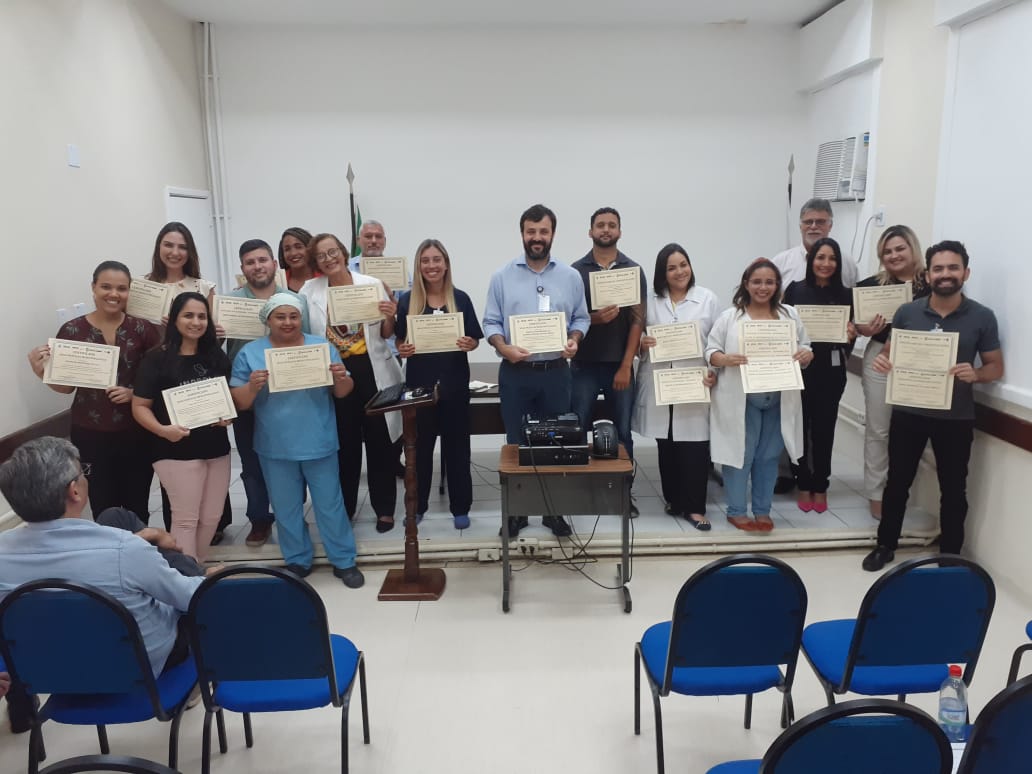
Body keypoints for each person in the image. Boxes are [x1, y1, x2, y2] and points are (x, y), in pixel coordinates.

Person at [0, 437, 205, 677]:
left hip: (49, 670)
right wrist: (208, 580)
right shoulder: (125, 549)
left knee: (115, 518)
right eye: (83, 472)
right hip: (135, 670)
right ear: (74, 491)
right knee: (198, 597)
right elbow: (193, 598)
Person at [862, 241, 1003, 571]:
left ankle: (951, 553)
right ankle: (885, 545)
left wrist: (977, 374)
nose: (945, 274)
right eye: (938, 268)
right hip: (909, 412)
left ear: (965, 272)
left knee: (954, 488)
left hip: (956, 418)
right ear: (928, 274)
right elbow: (888, 354)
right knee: (897, 482)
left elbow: (996, 367)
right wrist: (884, 363)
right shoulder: (908, 312)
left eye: (953, 267)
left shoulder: (982, 317)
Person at [230, 294, 364, 587]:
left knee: (330, 504)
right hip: (275, 444)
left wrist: (341, 377)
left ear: (301, 317)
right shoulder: (251, 353)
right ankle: (297, 560)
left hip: (319, 440)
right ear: (268, 320)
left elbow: (343, 392)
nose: (288, 322)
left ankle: (344, 560)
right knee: (286, 506)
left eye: (293, 316)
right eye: (280, 317)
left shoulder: (321, 347)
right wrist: (252, 386)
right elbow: (239, 402)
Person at [482, 203, 590, 538]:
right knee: (517, 444)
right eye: (531, 231)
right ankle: (516, 513)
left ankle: (553, 512)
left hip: (557, 372)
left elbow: (581, 319)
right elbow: (491, 322)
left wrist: (574, 340)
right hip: (516, 373)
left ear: (552, 234)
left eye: (543, 231)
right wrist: (503, 348)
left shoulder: (570, 277)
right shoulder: (502, 276)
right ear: (522, 234)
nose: (537, 237)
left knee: (556, 442)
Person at [26, 260, 160, 522]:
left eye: (121, 288)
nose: (114, 294)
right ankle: (108, 557)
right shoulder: (73, 331)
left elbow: (159, 376)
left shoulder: (143, 329)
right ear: (93, 288)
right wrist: (41, 372)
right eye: (106, 287)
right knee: (102, 504)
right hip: (90, 433)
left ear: (129, 291)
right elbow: (65, 388)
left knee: (137, 503)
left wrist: (134, 394)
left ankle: (138, 554)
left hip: (137, 430)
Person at [300, 233, 404, 532]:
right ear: (316, 262)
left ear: (344, 254)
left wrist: (390, 316)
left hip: (374, 373)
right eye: (321, 255)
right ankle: (344, 508)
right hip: (336, 375)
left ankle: (384, 509)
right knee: (344, 447)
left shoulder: (370, 285)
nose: (329, 258)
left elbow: (386, 333)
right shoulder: (310, 291)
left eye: (333, 252)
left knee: (380, 445)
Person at [706, 259, 813, 531]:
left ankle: (763, 510)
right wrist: (725, 359)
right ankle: (737, 510)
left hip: (778, 398)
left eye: (769, 282)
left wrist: (806, 354)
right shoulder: (730, 317)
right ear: (746, 284)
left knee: (768, 456)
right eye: (757, 281)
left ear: (777, 285)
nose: (763, 287)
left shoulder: (789, 315)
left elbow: (805, 347)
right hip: (743, 400)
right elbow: (710, 351)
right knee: (741, 455)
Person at [146, 221, 232, 541]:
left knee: (206, 509)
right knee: (182, 505)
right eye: (168, 244)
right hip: (159, 389)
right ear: (158, 248)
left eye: (182, 246)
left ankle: (195, 552)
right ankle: (183, 558)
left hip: (199, 400)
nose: (175, 252)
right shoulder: (143, 287)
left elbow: (208, 348)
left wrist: (217, 333)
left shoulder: (202, 286)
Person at [132, 293, 233, 562]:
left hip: (216, 448)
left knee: (212, 516)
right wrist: (164, 430)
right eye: (188, 315)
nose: (196, 322)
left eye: (202, 316)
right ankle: (187, 579)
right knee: (186, 519)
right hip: (173, 449)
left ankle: (195, 568)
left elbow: (226, 400)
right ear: (174, 319)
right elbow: (140, 406)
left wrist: (227, 416)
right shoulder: (156, 359)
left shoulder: (216, 357)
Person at [226, 239, 311, 547]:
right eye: (250, 262)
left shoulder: (293, 299)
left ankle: (292, 513)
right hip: (247, 391)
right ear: (242, 268)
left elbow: (309, 338)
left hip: (290, 393)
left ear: (274, 265)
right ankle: (259, 519)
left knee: (292, 457)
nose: (257, 266)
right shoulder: (228, 302)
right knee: (251, 461)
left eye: (262, 260)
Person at [395, 239, 484, 529]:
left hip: (454, 385)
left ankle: (461, 507)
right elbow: (399, 340)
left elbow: (473, 339)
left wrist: (469, 343)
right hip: (419, 387)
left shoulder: (461, 298)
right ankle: (417, 506)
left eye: (436, 259)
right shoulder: (408, 301)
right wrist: (402, 349)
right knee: (418, 450)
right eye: (425, 260)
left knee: (458, 449)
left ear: (445, 264)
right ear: (418, 266)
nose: (431, 266)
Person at [633, 244, 719, 530]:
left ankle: (695, 508)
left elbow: (718, 341)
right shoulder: (651, 302)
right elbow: (635, 342)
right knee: (666, 443)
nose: (679, 271)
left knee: (694, 445)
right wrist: (642, 343)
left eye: (684, 264)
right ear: (662, 273)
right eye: (672, 267)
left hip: (693, 382)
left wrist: (714, 371)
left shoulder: (707, 299)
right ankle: (674, 499)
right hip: (660, 382)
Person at [570, 207, 647, 513]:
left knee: (623, 433)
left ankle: (621, 494)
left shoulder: (633, 270)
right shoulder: (575, 271)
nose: (605, 229)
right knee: (577, 429)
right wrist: (595, 319)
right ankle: (575, 492)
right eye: (600, 225)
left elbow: (637, 321)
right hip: (583, 366)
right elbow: (569, 319)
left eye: (611, 225)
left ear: (619, 231)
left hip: (620, 366)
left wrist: (627, 364)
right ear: (590, 231)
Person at [854, 224, 930, 518]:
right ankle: (876, 494)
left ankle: (902, 490)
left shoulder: (932, 283)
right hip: (880, 360)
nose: (894, 255)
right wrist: (862, 328)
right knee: (879, 429)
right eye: (887, 251)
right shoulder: (872, 285)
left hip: (921, 362)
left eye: (900, 248)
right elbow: (855, 328)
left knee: (913, 430)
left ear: (913, 249)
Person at [783, 238, 857, 513]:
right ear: (811, 260)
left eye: (832, 259)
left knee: (825, 430)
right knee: (800, 428)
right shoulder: (795, 291)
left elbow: (850, 338)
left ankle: (821, 484)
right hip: (800, 370)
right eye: (820, 257)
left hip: (832, 371)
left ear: (838, 264)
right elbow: (784, 328)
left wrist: (851, 335)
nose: (826, 264)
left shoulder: (848, 295)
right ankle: (803, 482)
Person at [771, 198, 860, 288]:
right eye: (808, 222)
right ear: (800, 226)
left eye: (820, 222)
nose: (813, 226)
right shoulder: (780, 263)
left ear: (830, 226)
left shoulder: (848, 264)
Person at [278, 226, 317, 293]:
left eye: (298, 247)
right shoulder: (277, 283)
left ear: (310, 248)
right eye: (287, 249)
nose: (293, 253)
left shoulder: (326, 278)